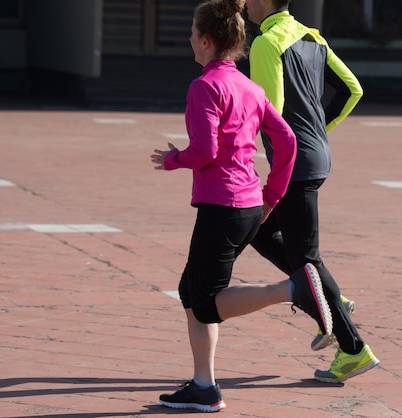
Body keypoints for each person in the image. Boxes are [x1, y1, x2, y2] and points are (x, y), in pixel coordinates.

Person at [151, 0, 334, 412]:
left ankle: (293, 287)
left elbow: (205, 150)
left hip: (223, 206)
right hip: (249, 204)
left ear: (205, 40)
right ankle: (203, 385)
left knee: (205, 299)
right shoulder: (249, 87)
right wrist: (271, 195)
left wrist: (172, 159)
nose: (191, 41)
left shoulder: (204, 86)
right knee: (191, 291)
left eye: (192, 34)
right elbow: (288, 141)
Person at [243, 0, 380, 383]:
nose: (246, 4)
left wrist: (241, 148)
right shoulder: (312, 36)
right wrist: (319, 132)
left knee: (306, 257)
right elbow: (352, 90)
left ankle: (352, 347)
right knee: (261, 231)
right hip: (316, 155)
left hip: (295, 163)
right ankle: (326, 297)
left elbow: (270, 109)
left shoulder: (266, 42)